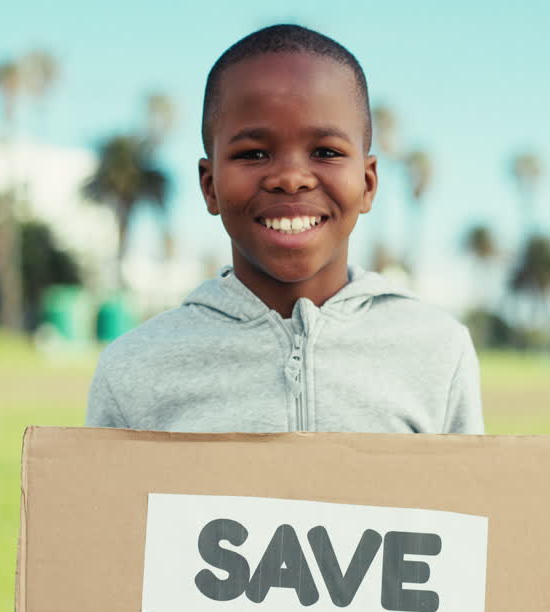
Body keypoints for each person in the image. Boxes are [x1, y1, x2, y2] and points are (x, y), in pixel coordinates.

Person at [85, 23, 482, 434]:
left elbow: (465, 498)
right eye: (254, 153)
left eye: (326, 152)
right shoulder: (133, 369)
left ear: (367, 183)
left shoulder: (437, 351)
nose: (291, 178)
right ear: (210, 186)